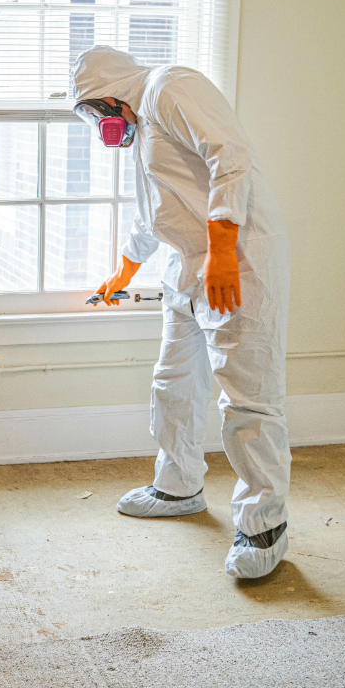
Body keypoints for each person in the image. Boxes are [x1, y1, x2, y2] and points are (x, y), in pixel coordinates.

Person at [73, 46, 292, 579]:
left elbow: (230, 158)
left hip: (237, 257)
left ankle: (264, 525)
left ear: (112, 92)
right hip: (189, 263)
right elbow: (156, 212)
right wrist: (124, 273)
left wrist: (221, 253)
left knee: (247, 397)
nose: (102, 124)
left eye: (98, 111)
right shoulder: (144, 123)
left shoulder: (170, 88)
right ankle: (178, 487)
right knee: (174, 383)